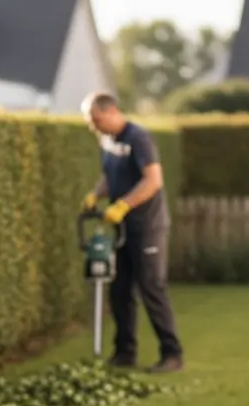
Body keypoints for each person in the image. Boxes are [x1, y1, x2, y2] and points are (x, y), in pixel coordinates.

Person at [80, 91, 183, 374]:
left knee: (152, 287)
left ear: (112, 111)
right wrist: (95, 194)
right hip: (122, 226)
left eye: (96, 119)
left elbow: (153, 181)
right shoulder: (108, 140)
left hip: (147, 226)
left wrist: (124, 204)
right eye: (90, 121)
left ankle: (172, 354)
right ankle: (125, 352)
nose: (93, 126)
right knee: (120, 289)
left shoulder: (138, 138)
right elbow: (110, 174)